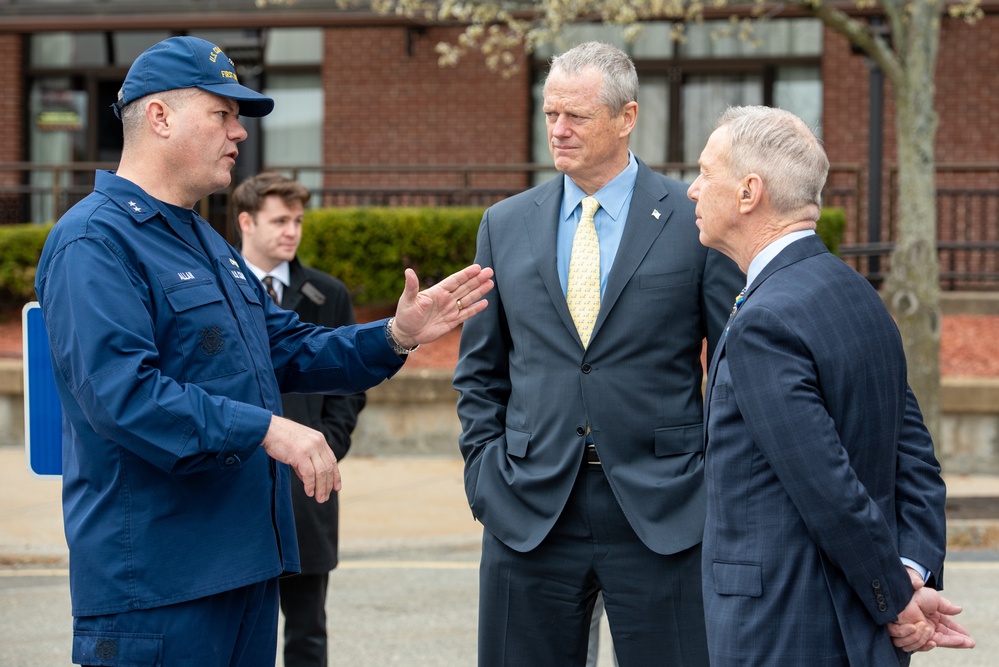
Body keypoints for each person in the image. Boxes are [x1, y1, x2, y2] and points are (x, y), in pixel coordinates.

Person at [34, 36, 493, 667]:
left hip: (244, 572)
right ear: (160, 117)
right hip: (160, 591)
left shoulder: (203, 238)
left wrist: (396, 335)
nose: (239, 134)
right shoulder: (93, 242)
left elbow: (283, 345)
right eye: (222, 113)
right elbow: (124, 397)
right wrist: (269, 430)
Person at [453, 40, 744, 666]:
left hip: (663, 509)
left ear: (627, 117)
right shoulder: (504, 224)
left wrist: (709, 483)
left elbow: (732, 367)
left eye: (576, 116)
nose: (558, 130)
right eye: (550, 113)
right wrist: (484, 473)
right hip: (528, 508)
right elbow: (481, 370)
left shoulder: (692, 222)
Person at [690, 105, 975, 665]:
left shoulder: (764, 321)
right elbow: (915, 459)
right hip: (851, 630)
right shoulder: (858, 293)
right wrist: (910, 572)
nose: (692, 190)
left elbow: (827, 486)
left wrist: (895, 599)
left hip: (782, 629)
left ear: (749, 192)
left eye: (705, 172)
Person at [232, 172, 363, 667]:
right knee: (239, 627)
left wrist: (327, 446)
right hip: (236, 482)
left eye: (299, 221)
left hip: (308, 490)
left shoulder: (326, 294)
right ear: (246, 221)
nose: (292, 231)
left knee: (308, 631)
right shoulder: (215, 287)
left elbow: (349, 388)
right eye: (280, 220)